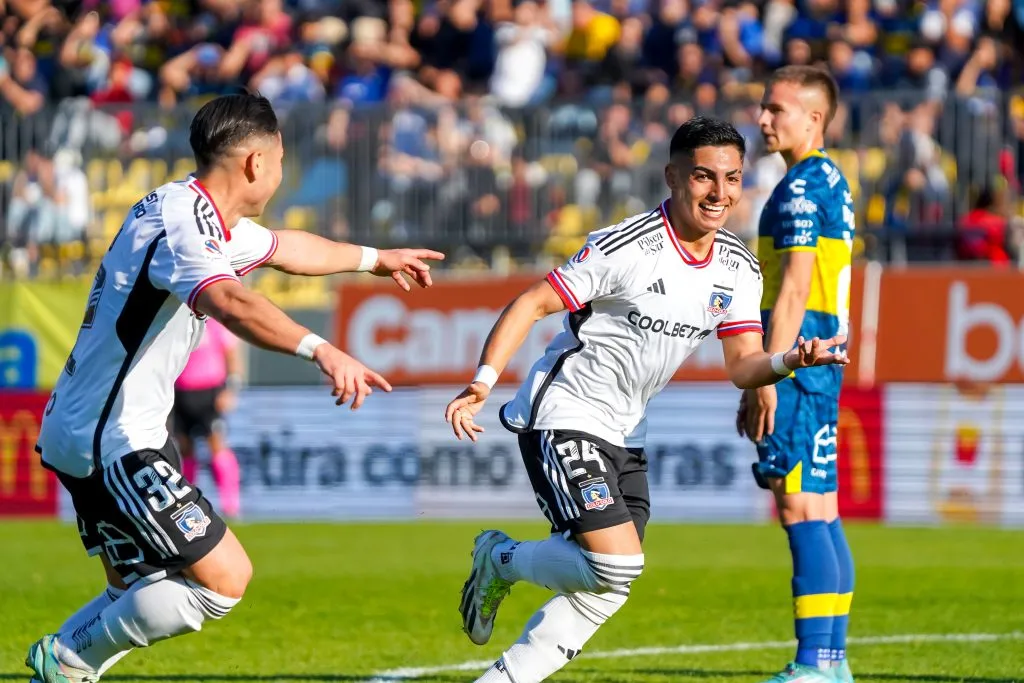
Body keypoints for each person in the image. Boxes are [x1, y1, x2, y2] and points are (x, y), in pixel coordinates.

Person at [26, 92, 444, 683]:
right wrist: (319, 348)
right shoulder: (184, 228)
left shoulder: (200, 215)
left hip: (105, 426)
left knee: (140, 587)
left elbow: (285, 248)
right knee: (223, 580)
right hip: (109, 437)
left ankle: (70, 663)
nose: (280, 173)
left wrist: (375, 258)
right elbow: (229, 301)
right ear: (255, 162)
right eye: (278, 161)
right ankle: (68, 655)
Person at [445, 116, 849, 683]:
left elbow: (742, 367)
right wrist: (483, 382)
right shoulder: (627, 246)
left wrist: (790, 361)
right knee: (618, 563)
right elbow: (532, 303)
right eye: (704, 177)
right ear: (673, 177)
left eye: (732, 179)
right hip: (564, 413)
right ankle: (501, 559)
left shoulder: (738, 266)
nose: (720, 193)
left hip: (626, 431)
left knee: (608, 586)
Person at [737, 65, 857, 683]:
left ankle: (815, 663)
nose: (763, 118)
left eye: (776, 109)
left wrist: (767, 376)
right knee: (823, 508)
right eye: (763, 107)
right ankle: (831, 663)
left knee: (800, 508)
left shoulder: (803, 189)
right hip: (819, 358)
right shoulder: (828, 179)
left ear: (814, 118)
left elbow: (797, 289)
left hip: (802, 362)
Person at [171, 316, 243, 519]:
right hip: (180, 393)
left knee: (217, 445)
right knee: (184, 449)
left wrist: (231, 389)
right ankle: (185, 504)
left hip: (210, 392)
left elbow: (232, 356)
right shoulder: (179, 323)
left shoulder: (216, 324)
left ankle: (231, 505)